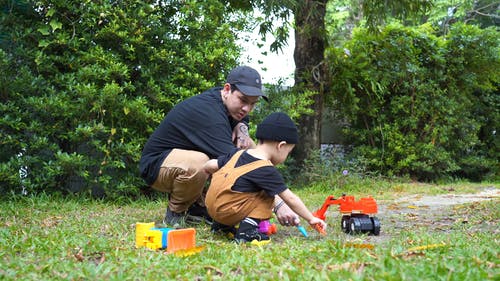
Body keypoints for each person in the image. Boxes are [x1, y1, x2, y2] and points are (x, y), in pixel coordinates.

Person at [139, 66, 297, 226]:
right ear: (227, 89)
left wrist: (242, 127)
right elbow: (243, 166)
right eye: (243, 100)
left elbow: (247, 145)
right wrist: (279, 203)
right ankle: (176, 213)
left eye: (252, 104)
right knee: (202, 163)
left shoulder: (222, 99)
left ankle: (197, 209)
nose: (246, 109)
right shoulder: (209, 114)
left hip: (182, 158)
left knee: (248, 146)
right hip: (157, 165)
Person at [203, 112, 327, 244]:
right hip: (228, 212)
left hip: (211, 208)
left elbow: (210, 165)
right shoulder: (265, 169)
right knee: (268, 195)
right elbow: (290, 198)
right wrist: (310, 218)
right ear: (281, 146)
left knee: (236, 190)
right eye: (288, 152)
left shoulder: (237, 154)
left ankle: (221, 227)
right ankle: (247, 233)